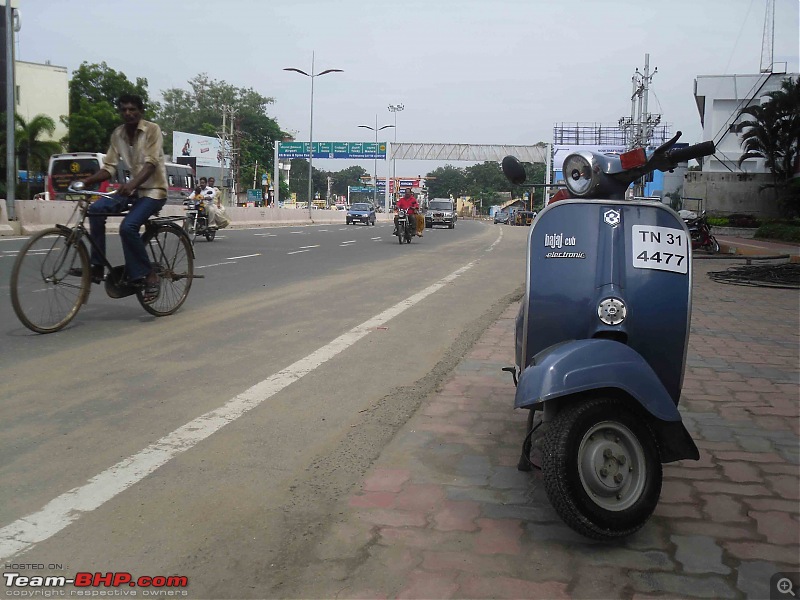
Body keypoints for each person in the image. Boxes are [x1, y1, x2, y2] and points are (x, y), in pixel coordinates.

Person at [78, 93, 168, 303]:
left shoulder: (152, 130)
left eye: (132, 109)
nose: (128, 113)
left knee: (128, 227)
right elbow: (109, 167)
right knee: (95, 210)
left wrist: (132, 184)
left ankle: (150, 276)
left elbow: (151, 163)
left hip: (154, 191)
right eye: (124, 109)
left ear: (140, 111)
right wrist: (87, 181)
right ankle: (97, 266)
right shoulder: (117, 134)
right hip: (132, 190)